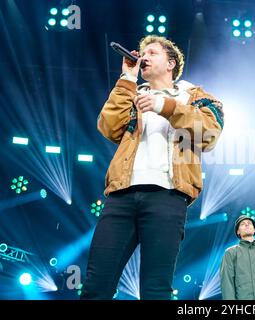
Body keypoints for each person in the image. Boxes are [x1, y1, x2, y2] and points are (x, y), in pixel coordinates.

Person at [80, 35, 224, 300]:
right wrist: (127, 80)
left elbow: (210, 133)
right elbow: (109, 127)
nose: (143, 56)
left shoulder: (195, 96)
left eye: (152, 52)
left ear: (170, 63)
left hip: (168, 195)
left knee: (155, 288)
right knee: (96, 284)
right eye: (142, 52)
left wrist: (165, 106)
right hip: (122, 194)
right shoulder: (133, 94)